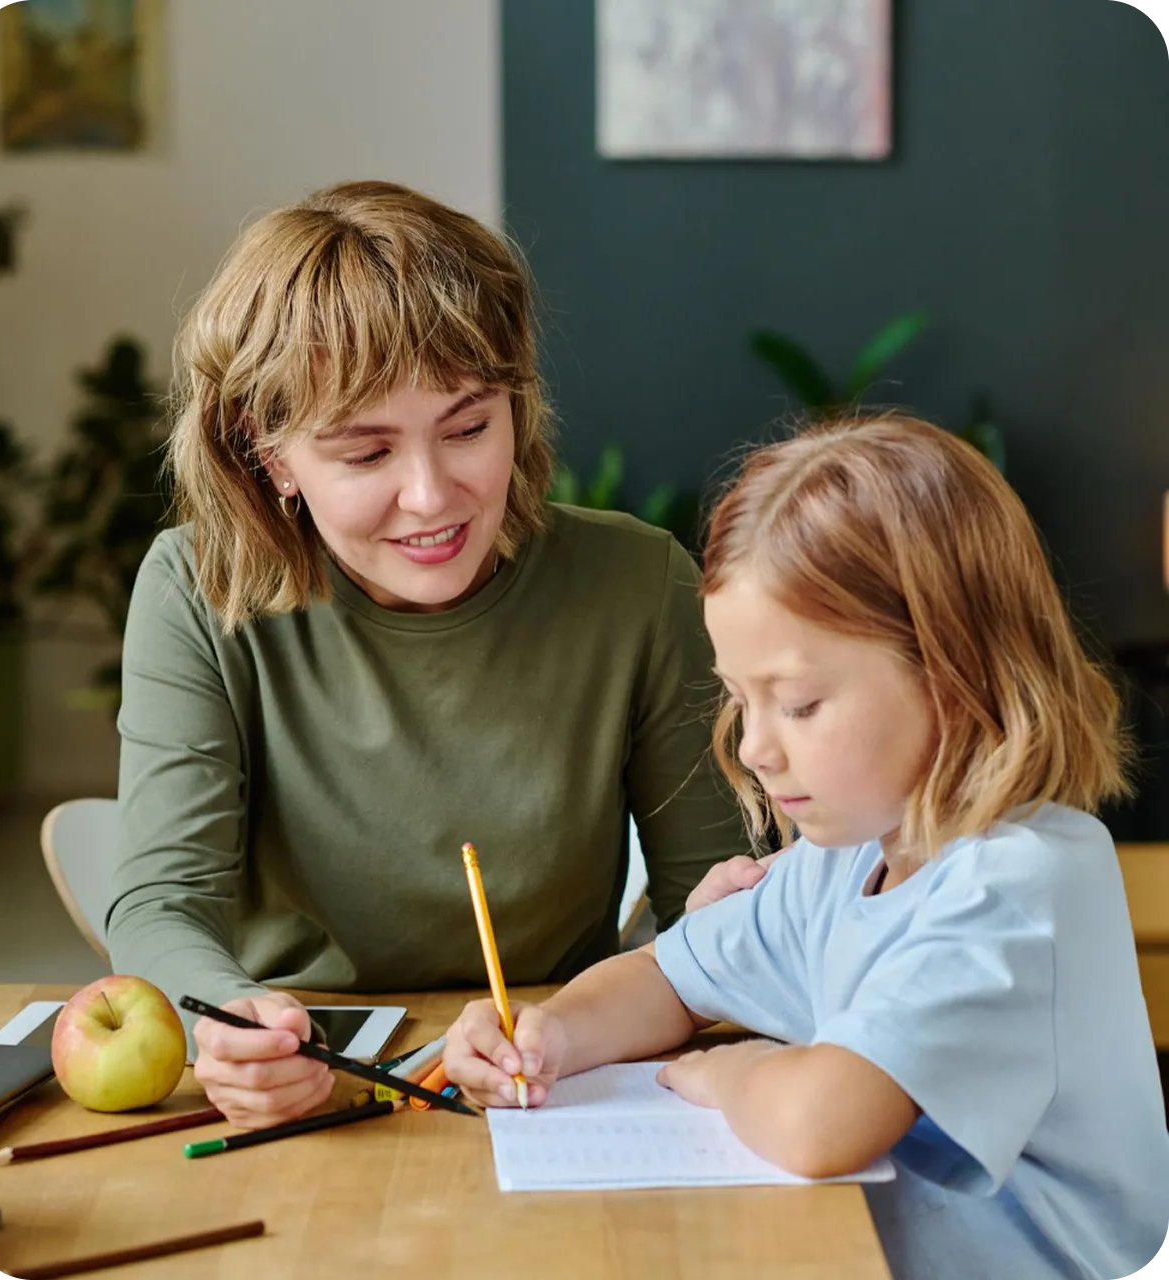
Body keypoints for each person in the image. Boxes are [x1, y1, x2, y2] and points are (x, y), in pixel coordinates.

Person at [106, 180, 771, 1130]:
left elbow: (710, 922)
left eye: (468, 429)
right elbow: (162, 901)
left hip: (552, 1073)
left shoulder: (638, 585)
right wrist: (232, 1022)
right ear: (270, 453)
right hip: (311, 1074)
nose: (432, 496)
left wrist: (666, 970)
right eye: (366, 454)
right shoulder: (196, 589)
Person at [445, 413, 1169, 1280]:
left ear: (952, 673)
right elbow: (666, 979)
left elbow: (820, 1125)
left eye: (798, 703)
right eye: (740, 701)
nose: (754, 747)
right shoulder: (847, 859)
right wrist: (549, 1036)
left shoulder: (1018, 884)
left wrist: (730, 1074)